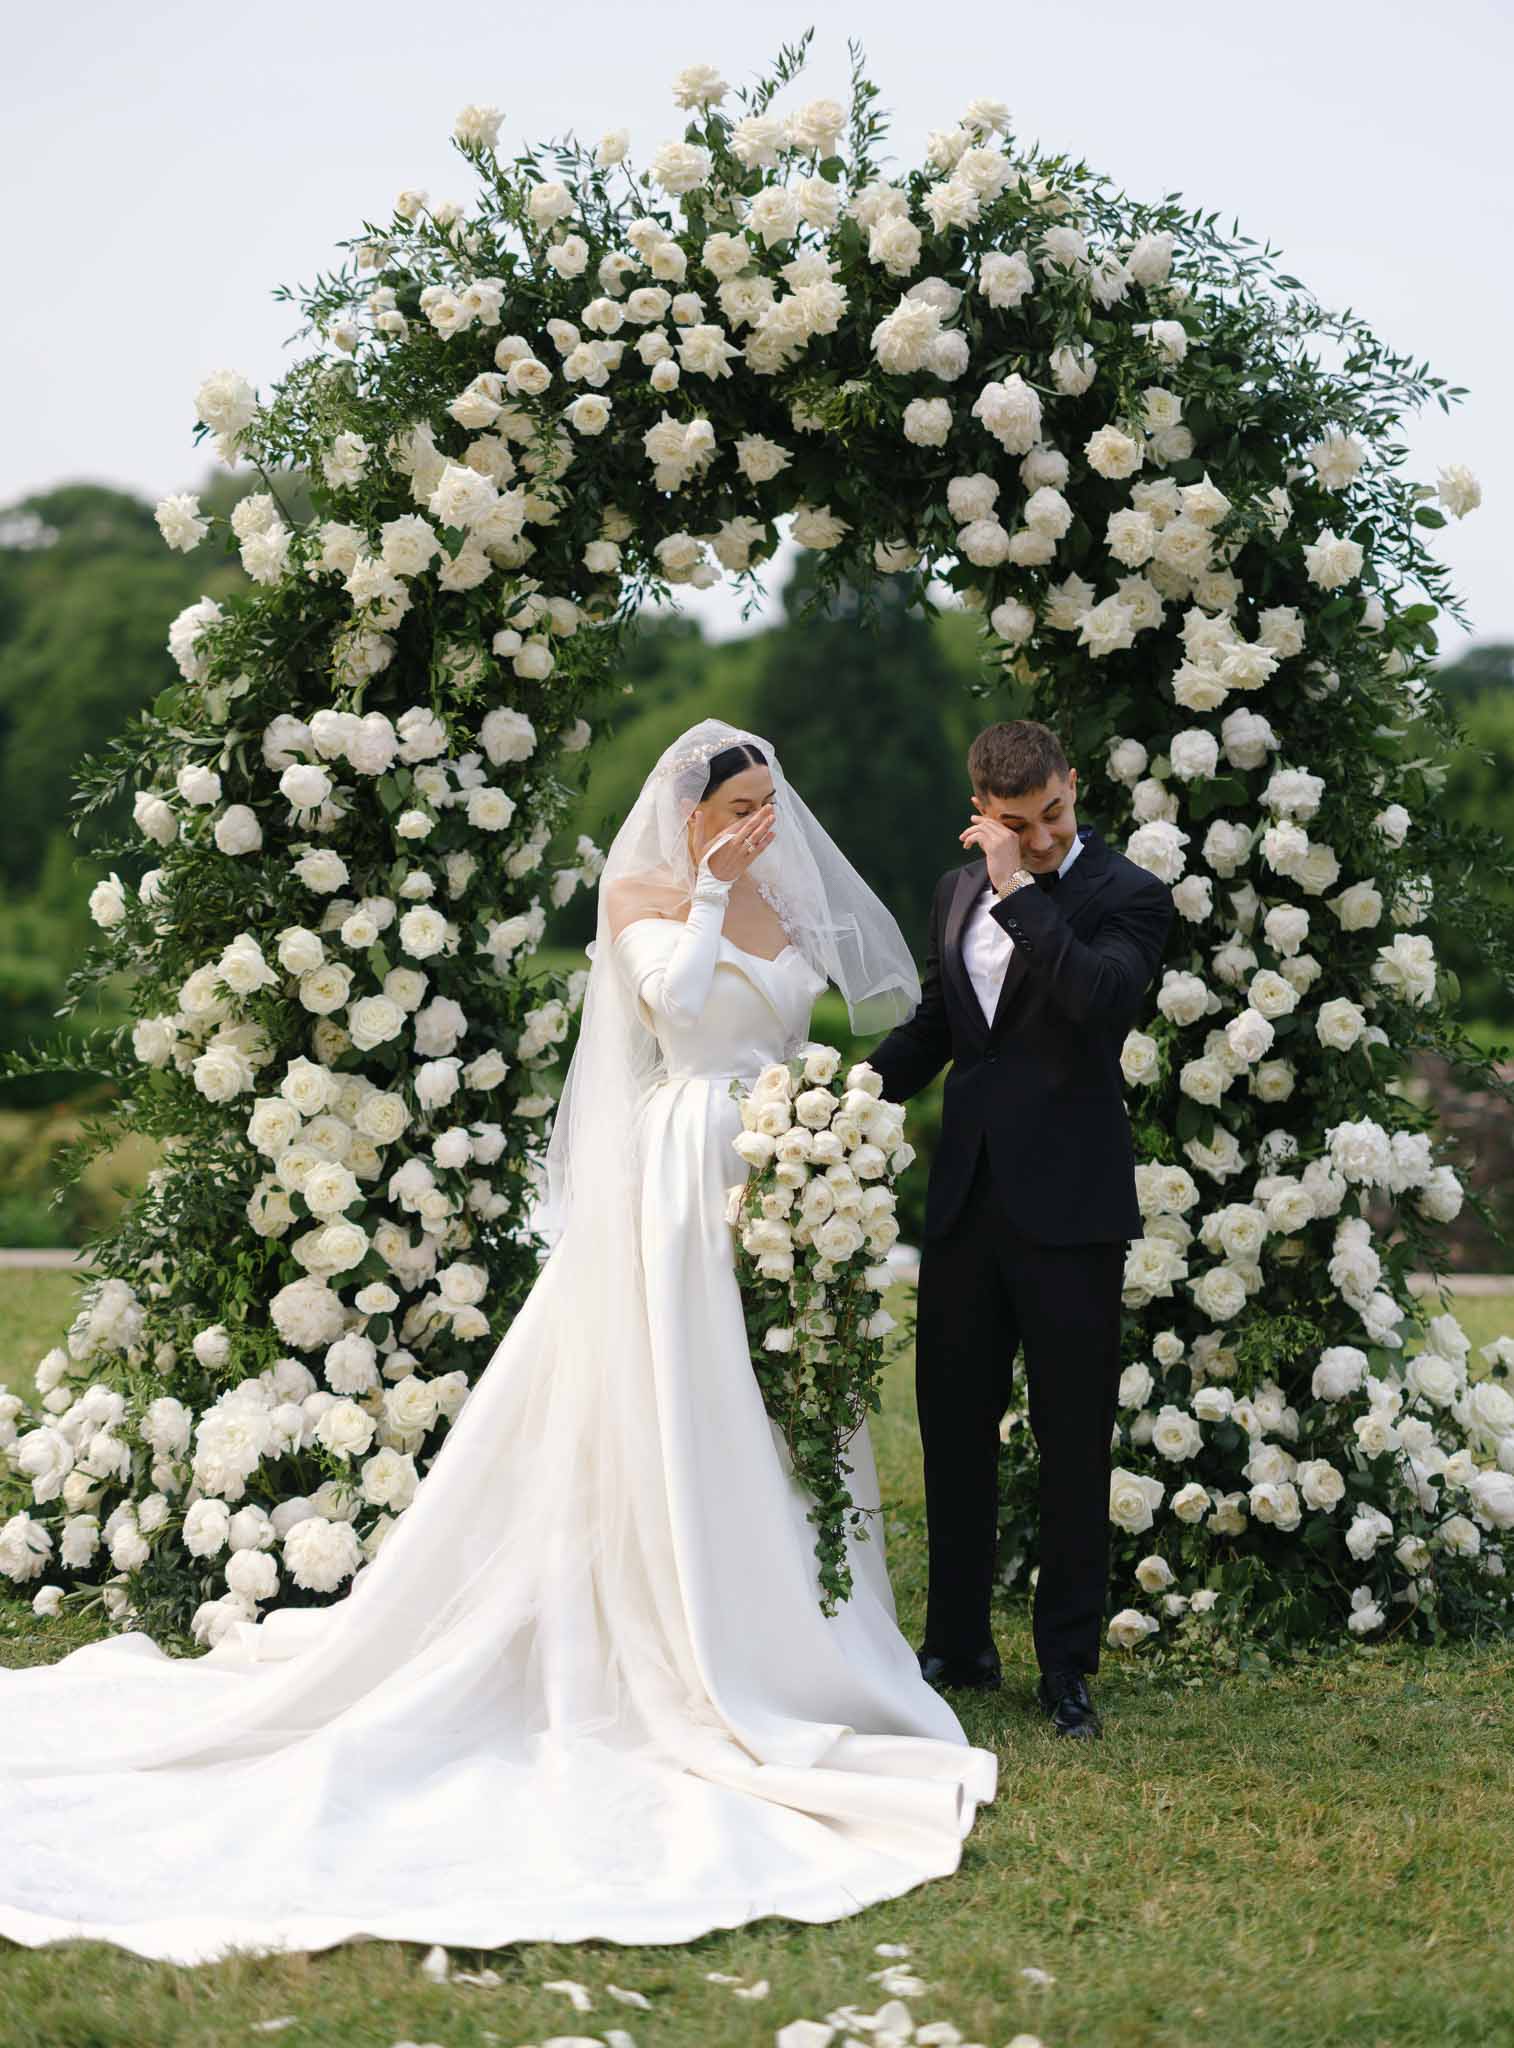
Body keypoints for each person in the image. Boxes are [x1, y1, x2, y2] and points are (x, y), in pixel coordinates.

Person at [0, 718, 996, 1965]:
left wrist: (813, 1144)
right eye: (737, 804)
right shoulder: (646, 892)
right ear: (690, 813)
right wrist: (705, 898)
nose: (760, 824)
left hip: (779, 1167)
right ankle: (695, 1628)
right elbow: (674, 1012)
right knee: (697, 1401)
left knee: (787, 1391)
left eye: (768, 803)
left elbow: (802, 1032)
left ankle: (807, 1634)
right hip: (684, 1170)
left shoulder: (789, 907)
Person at [869, 719, 1173, 1740]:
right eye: (1015, 824)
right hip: (963, 1201)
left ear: (1071, 788)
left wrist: (1021, 889)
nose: (1039, 835)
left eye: (1051, 815)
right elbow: (937, 1029)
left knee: (1069, 1441)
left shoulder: (1128, 893)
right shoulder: (953, 892)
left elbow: (1100, 1002)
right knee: (952, 1430)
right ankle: (955, 1643)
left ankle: (1066, 1666)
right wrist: (837, 1099)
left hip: (1071, 1210)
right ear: (980, 811)